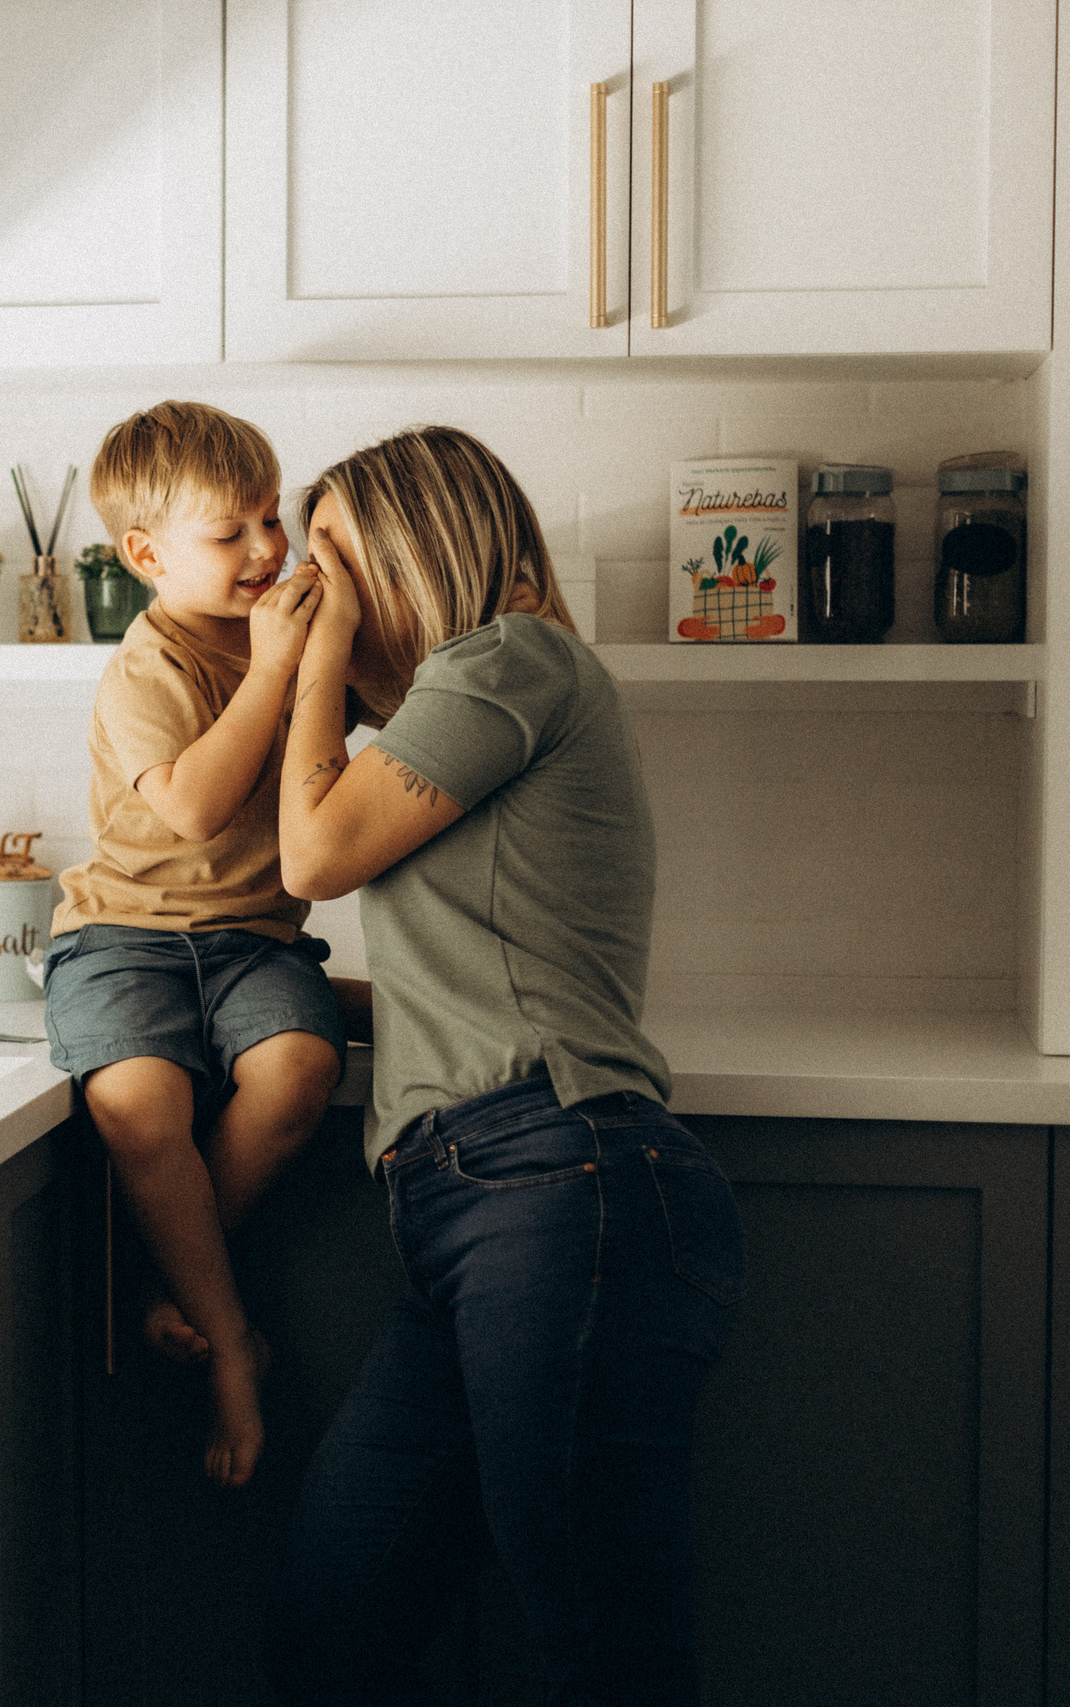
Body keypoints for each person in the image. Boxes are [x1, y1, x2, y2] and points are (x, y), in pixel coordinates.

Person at [265, 425, 747, 1705]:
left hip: (560, 1186)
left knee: (607, 1653)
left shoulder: (509, 658)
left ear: (406, 557)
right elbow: (467, 981)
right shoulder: (464, 720)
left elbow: (310, 861)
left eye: (327, 567)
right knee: (337, 1612)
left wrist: (309, 667)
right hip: (473, 1210)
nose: (309, 597)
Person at [43, 400, 350, 1488]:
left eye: (273, 518)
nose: (269, 549)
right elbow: (196, 812)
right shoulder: (147, 667)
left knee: (300, 1068)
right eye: (232, 533)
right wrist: (271, 672)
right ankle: (233, 1348)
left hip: (253, 941)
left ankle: (177, 1290)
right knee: (134, 1103)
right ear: (145, 556)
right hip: (122, 937)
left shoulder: (291, 630)